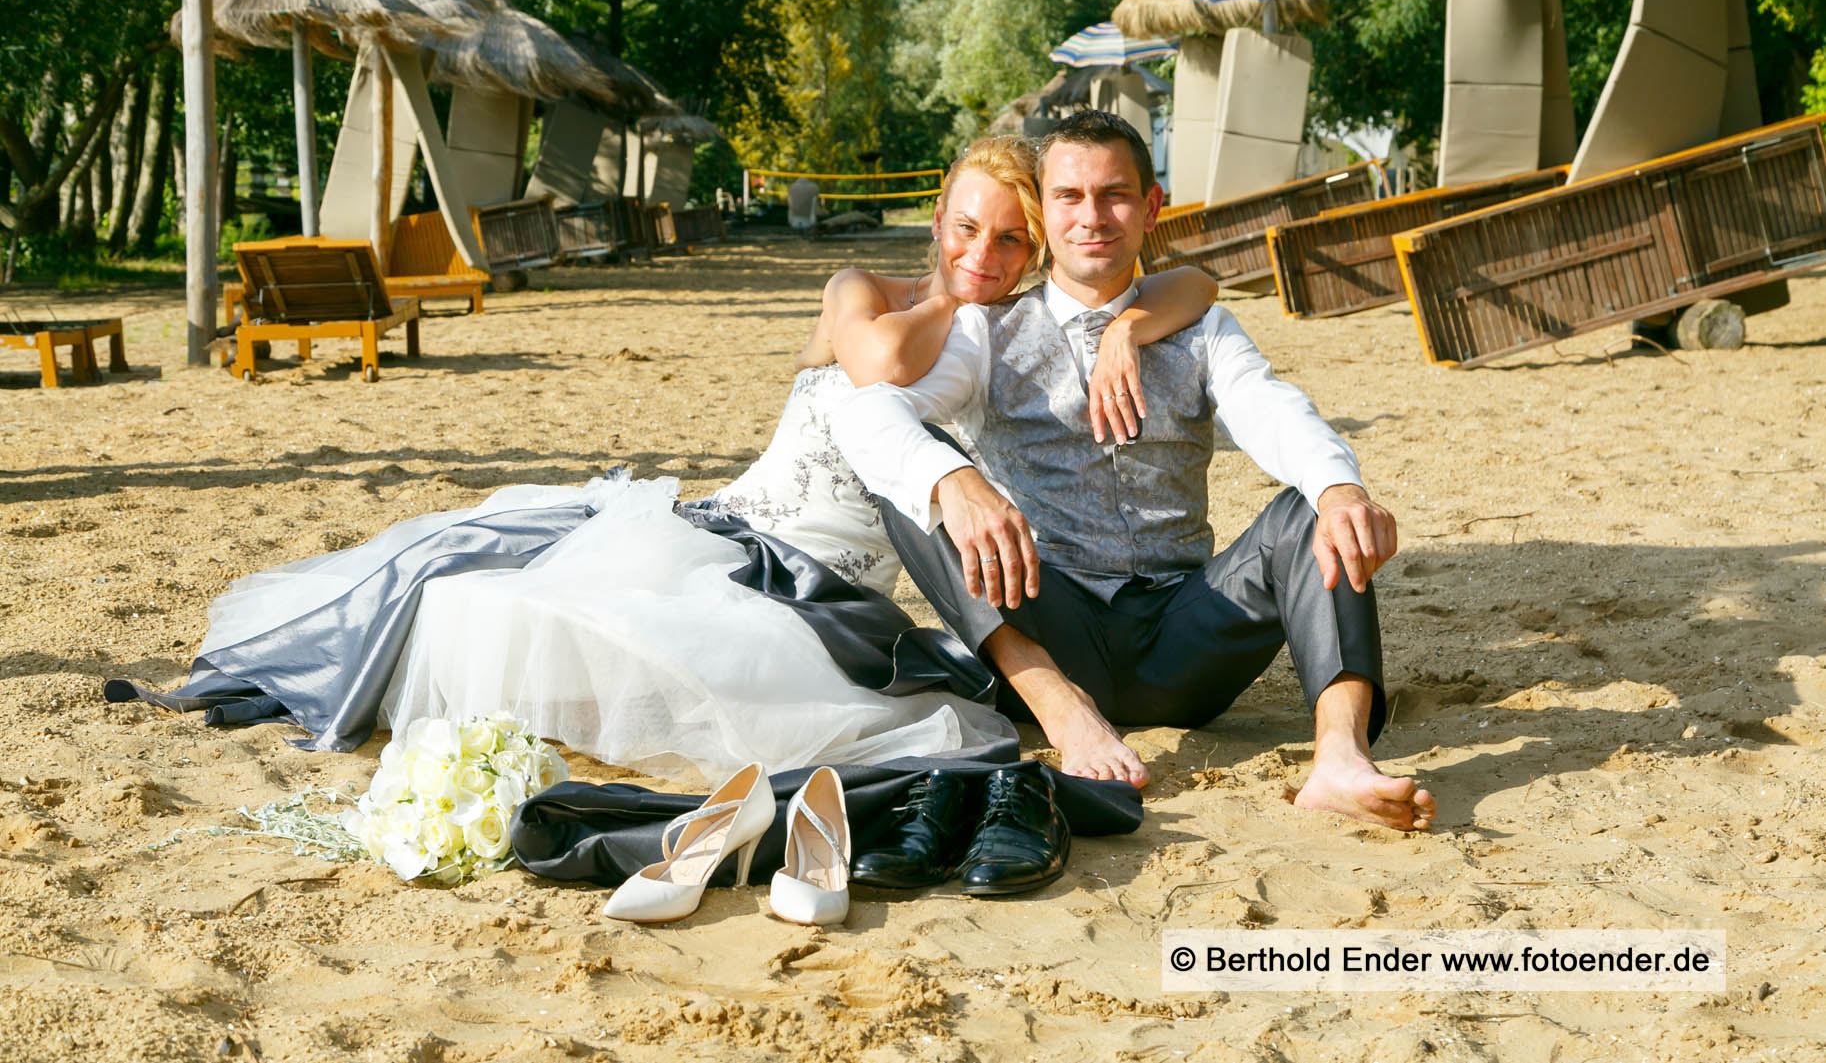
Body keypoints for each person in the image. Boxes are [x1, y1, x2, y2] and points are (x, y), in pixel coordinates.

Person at [140, 135, 1222, 788]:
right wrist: (941, 290)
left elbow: (1192, 286)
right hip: (723, 529)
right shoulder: (859, 291)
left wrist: (1122, 325)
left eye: (1008, 242)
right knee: (471, 592)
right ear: (935, 218)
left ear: (1033, 254)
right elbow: (877, 362)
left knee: (637, 667)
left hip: (826, 585)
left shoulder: (999, 332)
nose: (981, 256)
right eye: (965, 228)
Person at [831, 111, 1436, 832]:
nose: (1093, 216)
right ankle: (1061, 707)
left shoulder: (1202, 326)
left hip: (1187, 631)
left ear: (1151, 206)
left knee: (1315, 505)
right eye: (1069, 197)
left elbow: (1268, 406)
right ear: (1044, 212)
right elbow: (864, 416)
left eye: (1114, 194)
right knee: (917, 478)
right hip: (1048, 622)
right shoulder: (982, 333)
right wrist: (956, 483)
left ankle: (1340, 754)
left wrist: (1340, 486)